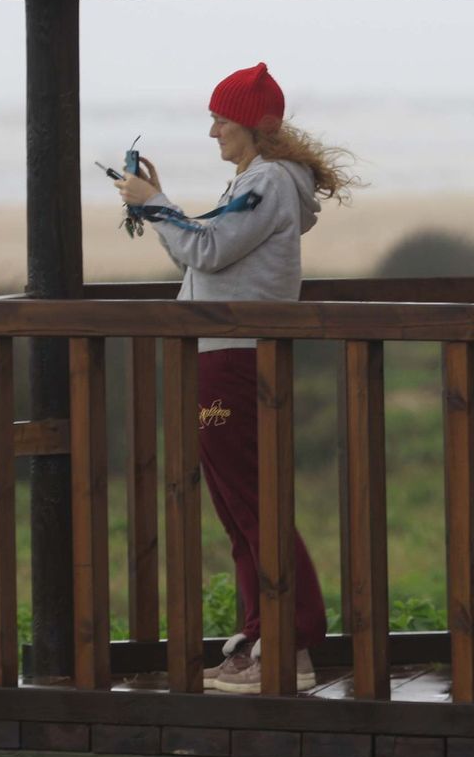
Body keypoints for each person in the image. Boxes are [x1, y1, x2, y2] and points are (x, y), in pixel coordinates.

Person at [114, 62, 358, 695]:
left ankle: (292, 647)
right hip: (222, 353)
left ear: (252, 126)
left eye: (221, 118)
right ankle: (261, 637)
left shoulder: (269, 182)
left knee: (253, 505)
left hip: (235, 357)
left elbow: (208, 249)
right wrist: (162, 208)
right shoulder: (258, 182)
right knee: (238, 509)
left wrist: (156, 206)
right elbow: (202, 246)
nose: (214, 130)